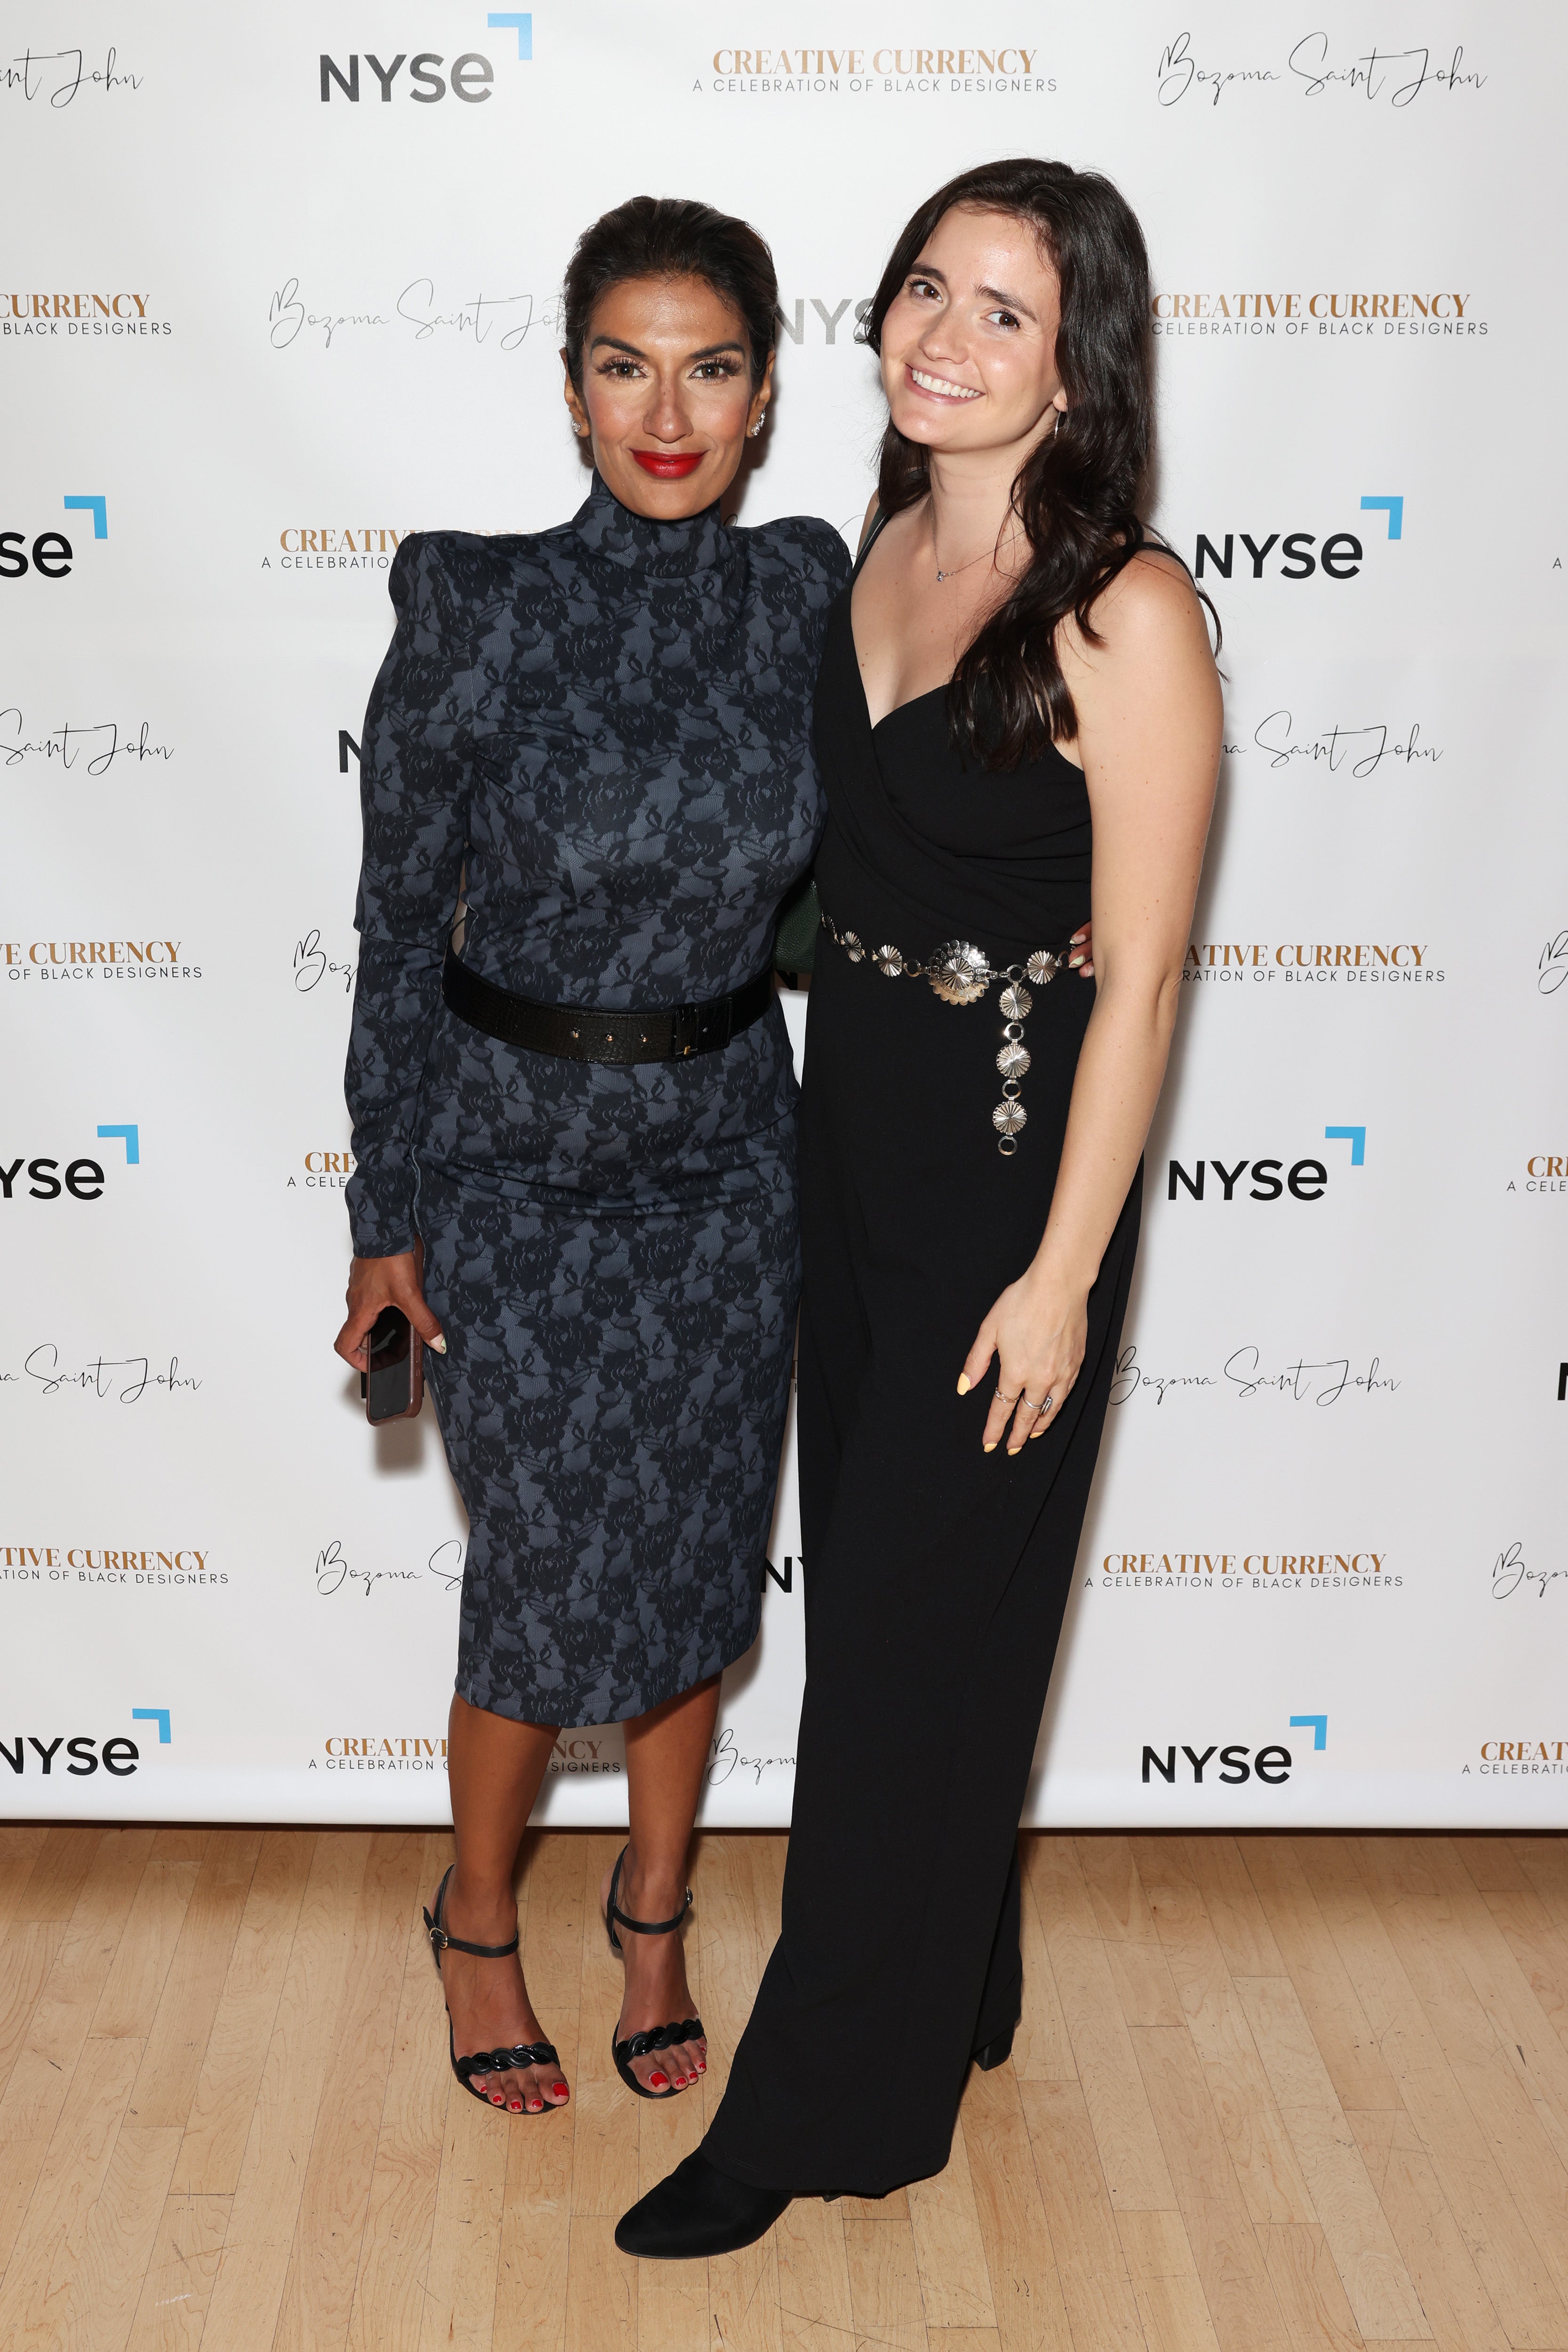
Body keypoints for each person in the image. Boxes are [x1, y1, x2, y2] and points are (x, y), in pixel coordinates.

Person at [617, 157, 1222, 2256]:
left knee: (893, 1655)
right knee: (884, 1595)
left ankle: (815, 2109)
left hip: (1004, 1170)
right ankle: (959, 1960)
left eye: (1004, 313)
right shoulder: (873, 550)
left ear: (1080, 367)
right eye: (923, 293)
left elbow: (1140, 967)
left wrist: (1063, 1272)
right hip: (848, 1132)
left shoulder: (1124, 610)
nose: (942, 338)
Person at [334, 197, 852, 2119]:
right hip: (512, 1166)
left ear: (764, 393)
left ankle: (653, 1910)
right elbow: (397, 930)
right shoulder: (471, 602)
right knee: (543, 1579)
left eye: (708, 364)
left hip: (729, 1155)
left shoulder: (803, 588)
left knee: (702, 1561)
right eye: (625, 363)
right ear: (570, 391)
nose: (667, 405)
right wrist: (387, 1219)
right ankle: (477, 1919)